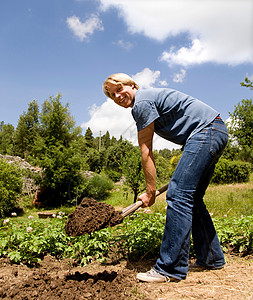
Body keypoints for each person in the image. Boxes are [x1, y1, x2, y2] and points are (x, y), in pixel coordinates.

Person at [103, 73, 228, 283]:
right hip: (214, 130)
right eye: (112, 95)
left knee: (178, 195)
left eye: (119, 89)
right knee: (192, 198)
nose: (117, 96)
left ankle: (169, 268)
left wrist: (150, 191)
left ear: (132, 85)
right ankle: (211, 258)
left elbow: (146, 150)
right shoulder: (146, 101)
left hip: (206, 131)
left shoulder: (141, 103)